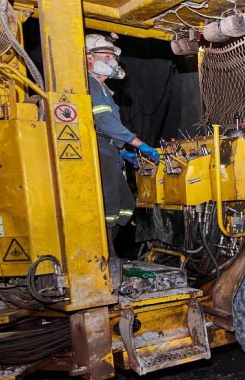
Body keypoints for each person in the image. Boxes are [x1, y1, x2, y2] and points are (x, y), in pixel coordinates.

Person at [84, 33, 159, 250]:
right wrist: (139, 144)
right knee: (110, 204)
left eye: (112, 57)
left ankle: (109, 244)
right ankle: (100, 248)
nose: (112, 61)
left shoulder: (103, 89)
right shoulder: (90, 84)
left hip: (108, 150)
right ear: (89, 58)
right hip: (99, 149)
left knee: (125, 204)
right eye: (106, 56)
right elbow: (105, 123)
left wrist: (121, 152)